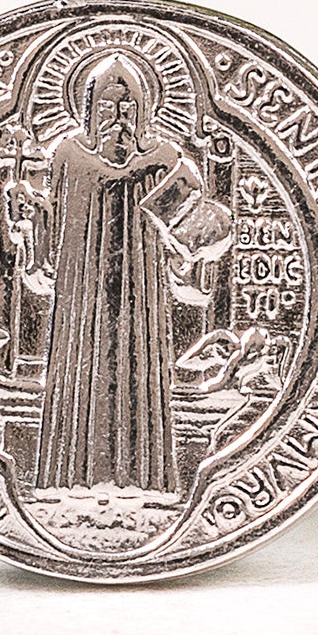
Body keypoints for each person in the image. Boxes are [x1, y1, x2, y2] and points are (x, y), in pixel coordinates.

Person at [35, 54, 204, 496]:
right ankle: (71, 476)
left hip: (141, 285)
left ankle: (143, 478)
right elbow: (55, 219)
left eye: (127, 107)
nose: (118, 117)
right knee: (81, 361)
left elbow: (183, 222)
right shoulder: (69, 155)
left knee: (138, 362)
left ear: (144, 109)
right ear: (88, 109)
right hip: (81, 283)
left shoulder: (164, 157)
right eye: (107, 107)